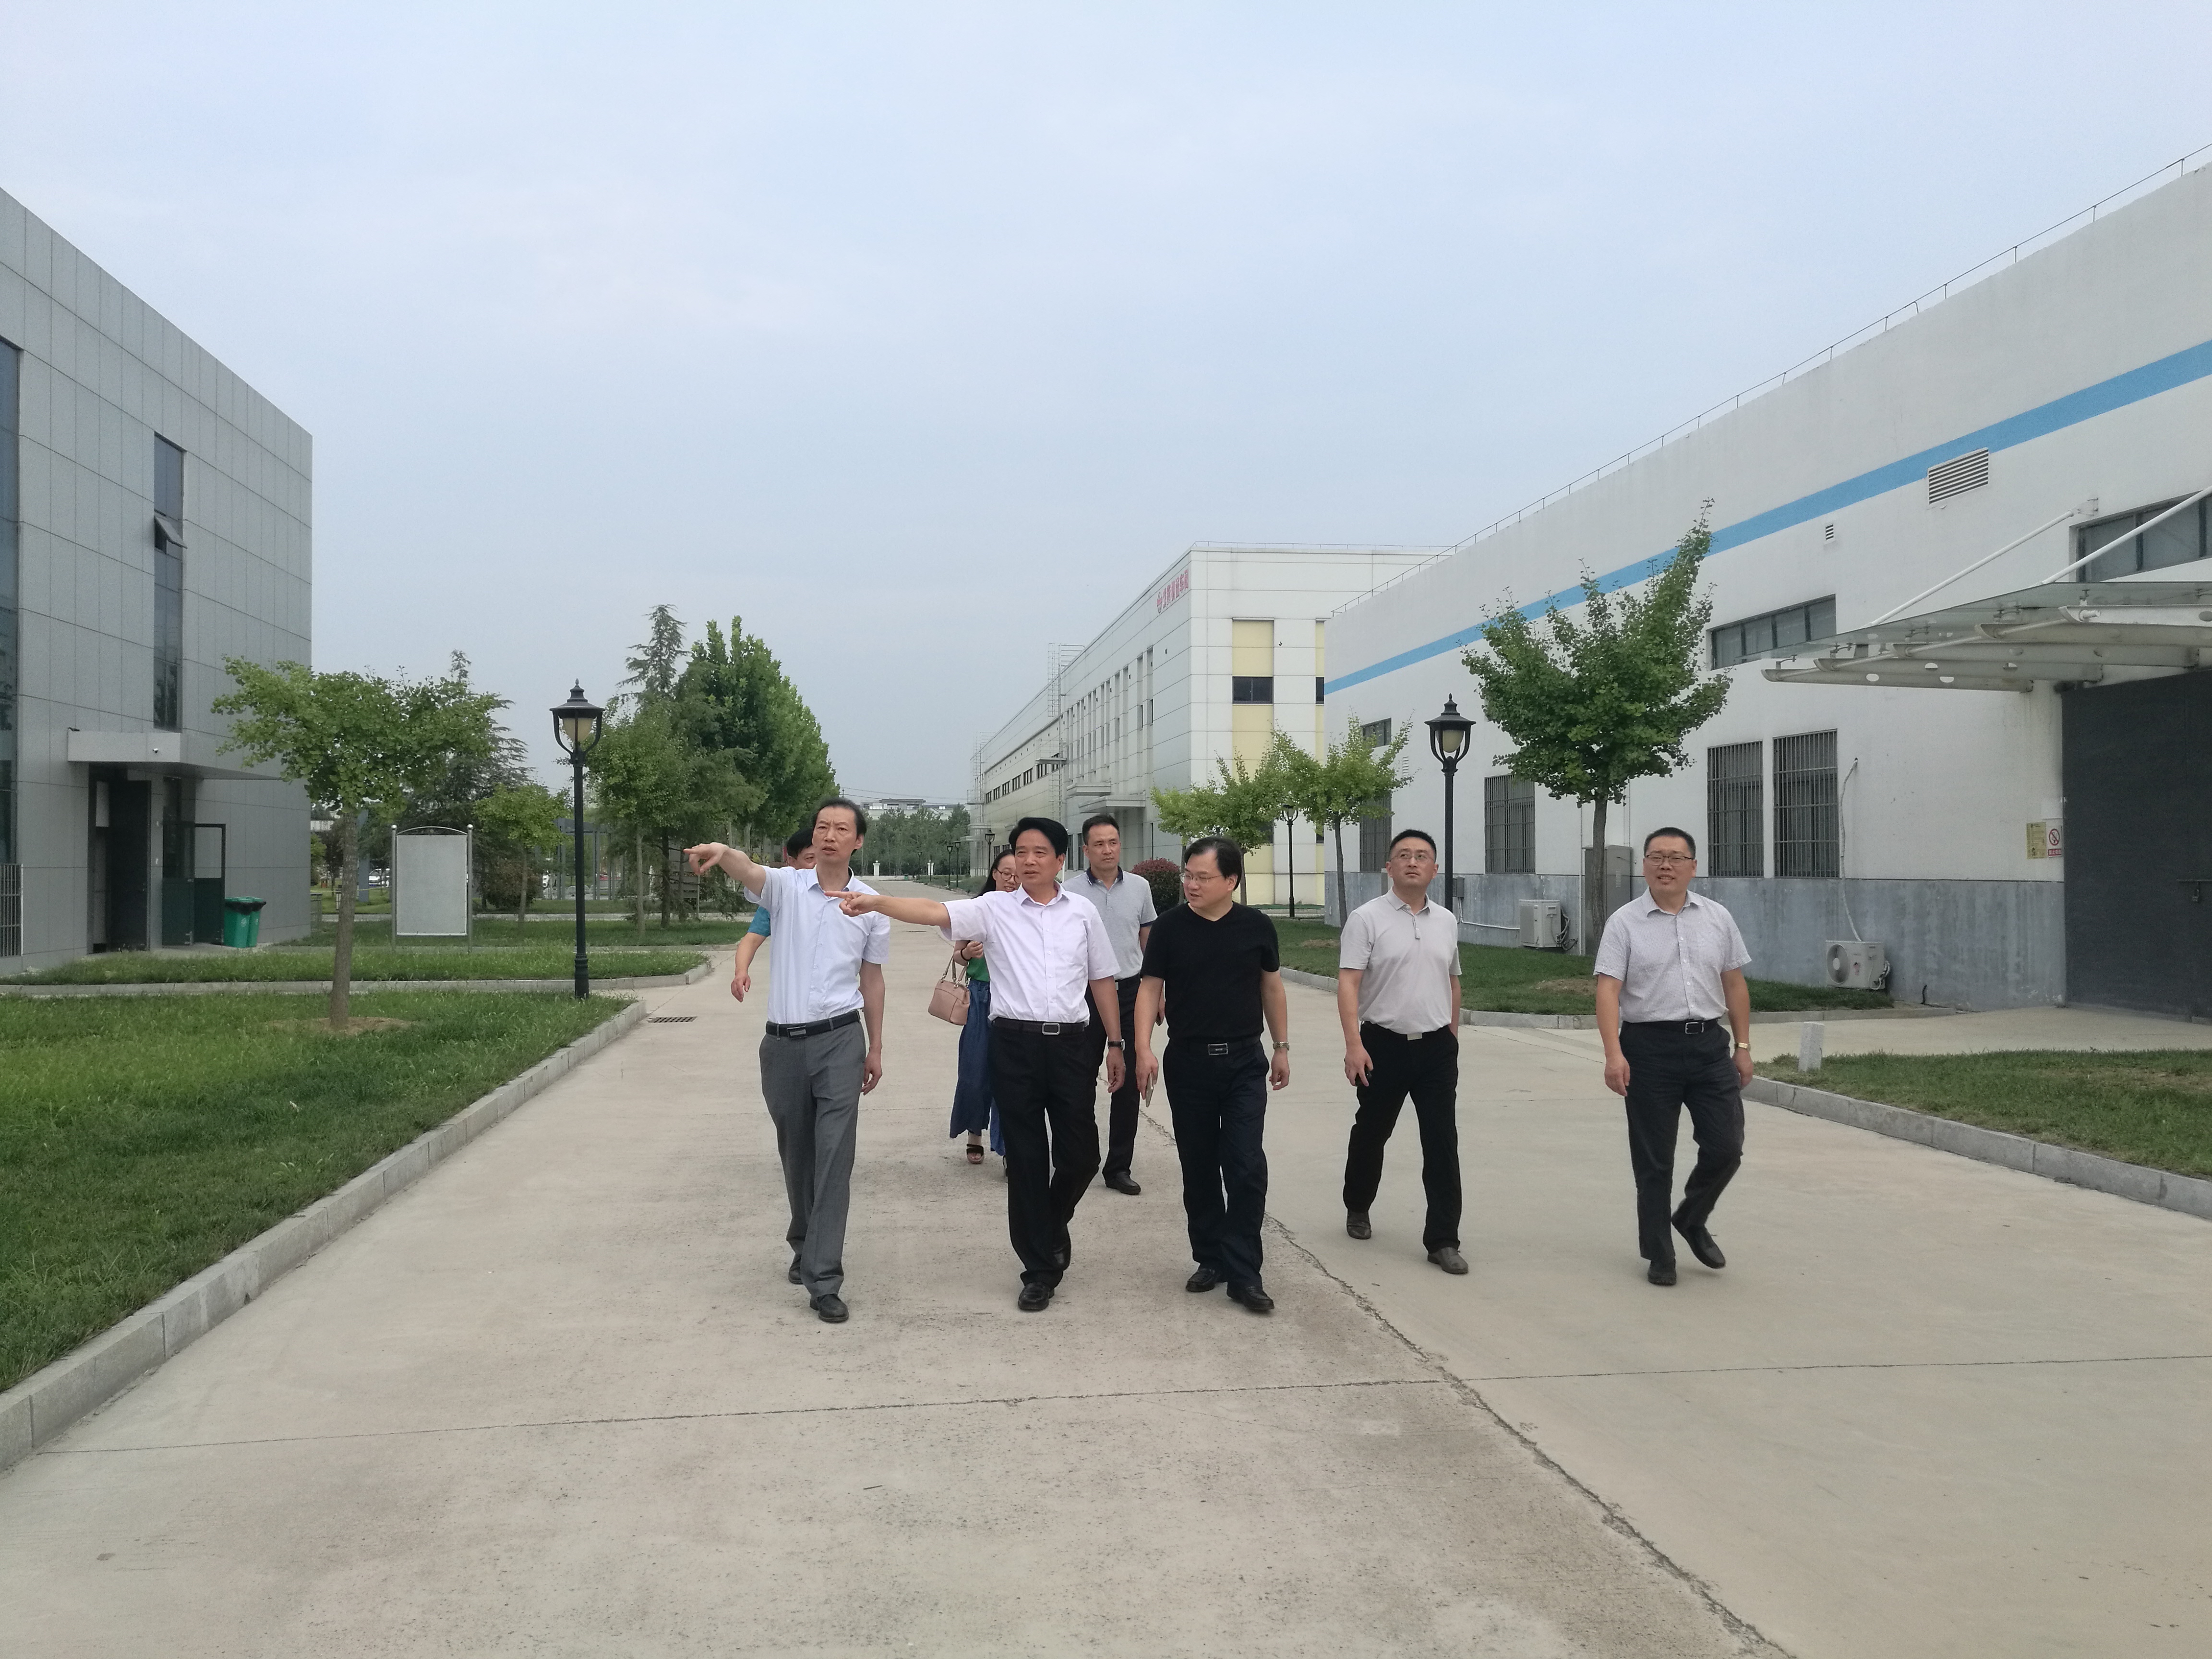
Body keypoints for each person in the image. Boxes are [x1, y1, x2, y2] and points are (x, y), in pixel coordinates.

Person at [836, 817, 1122, 1312]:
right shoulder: (994, 909)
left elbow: (1101, 979)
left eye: (1039, 852)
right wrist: (878, 902)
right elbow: (932, 911)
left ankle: (1050, 1224)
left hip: (1072, 1047)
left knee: (1082, 1157)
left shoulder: (1083, 913)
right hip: (1013, 1045)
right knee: (1027, 1160)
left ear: (1060, 860)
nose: (1028, 861)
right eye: (1021, 852)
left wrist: (1115, 1043)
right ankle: (1039, 1270)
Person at [686, 799, 890, 1324]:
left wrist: (876, 1046)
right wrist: (724, 851)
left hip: (841, 1040)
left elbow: (872, 980)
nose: (829, 836)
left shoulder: (870, 905)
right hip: (783, 1046)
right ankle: (805, 1241)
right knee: (798, 1156)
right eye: (822, 827)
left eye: (841, 829)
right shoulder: (785, 887)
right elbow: (748, 871)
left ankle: (824, 1277)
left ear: (857, 841)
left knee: (835, 1157)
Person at [1132, 838, 1289, 1314]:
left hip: (1244, 1061)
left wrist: (1281, 1047)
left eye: (1202, 877)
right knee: (1199, 1166)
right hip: (1189, 1062)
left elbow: (1271, 986)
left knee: (1245, 1165)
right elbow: (1150, 988)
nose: (1191, 884)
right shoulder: (1170, 928)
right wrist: (1143, 1048)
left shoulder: (1256, 926)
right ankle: (1210, 1258)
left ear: (1231, 881)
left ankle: (1245, 1274)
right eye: (1188, 875)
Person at [1593, 826, 1753, 1287]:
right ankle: (1659, 1253)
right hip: (1649, 1050)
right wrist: (1613, 1054)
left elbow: (1734, 983)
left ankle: (1691, 1217)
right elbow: (1608, 990)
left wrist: (1743, 1047)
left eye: (1676, 858)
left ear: (1693, 867)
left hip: (1708, 1047)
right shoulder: (1624, 922)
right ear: (1644, 865)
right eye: (1657, 857)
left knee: (1726, 1147)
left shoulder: (1717, 917)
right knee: (1654, 1160)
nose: (1666, 866)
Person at [1337, 829, 1467, 1274]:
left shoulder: (1446, 920)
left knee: (1442, 1142)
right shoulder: (1366, 919)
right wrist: (1354, 1044)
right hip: (1382, 1045)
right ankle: (1358, 1204)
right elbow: (1349, 983)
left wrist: (1451, 1035)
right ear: (1388, 867)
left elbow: (1453, 982)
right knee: (1372, 1132)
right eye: (1404, 855)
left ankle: (1444, 1240)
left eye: (1422, 856)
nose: (1413, 862)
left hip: (1436, 1049)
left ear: (1435, 869)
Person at [1074, 813, 1157, 1195]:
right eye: (1099, 844)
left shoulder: (1140, 887)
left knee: (1129, 1082)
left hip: (1131, 994)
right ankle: (1083, 1158)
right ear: (1086, 849)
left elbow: (1148, 942)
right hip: (1083, 996)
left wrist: (1158, 993)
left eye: (1113, 842)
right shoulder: (1070, 891)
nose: (1107, 850)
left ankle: (1119, 1167)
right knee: (1079, 1082)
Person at [949, 848, 1019, 1166]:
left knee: (1012, 1076)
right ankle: (974, 1131)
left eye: (1017, 875)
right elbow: (957, 955)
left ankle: (1008, 1147)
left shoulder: (1027, 910)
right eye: (1006, 873)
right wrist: (968, 953)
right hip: (980, 996)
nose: (1012, 880)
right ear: (994, 874)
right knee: (975, 1070)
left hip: (1015, 998)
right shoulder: (977, 909)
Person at [731, 826, 816, 1002]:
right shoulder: (779, 897)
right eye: (810, 859)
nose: (817, 865)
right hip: (793, 995)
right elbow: (752, 939)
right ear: (792, 862)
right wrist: (741, 972)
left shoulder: (845, 896)